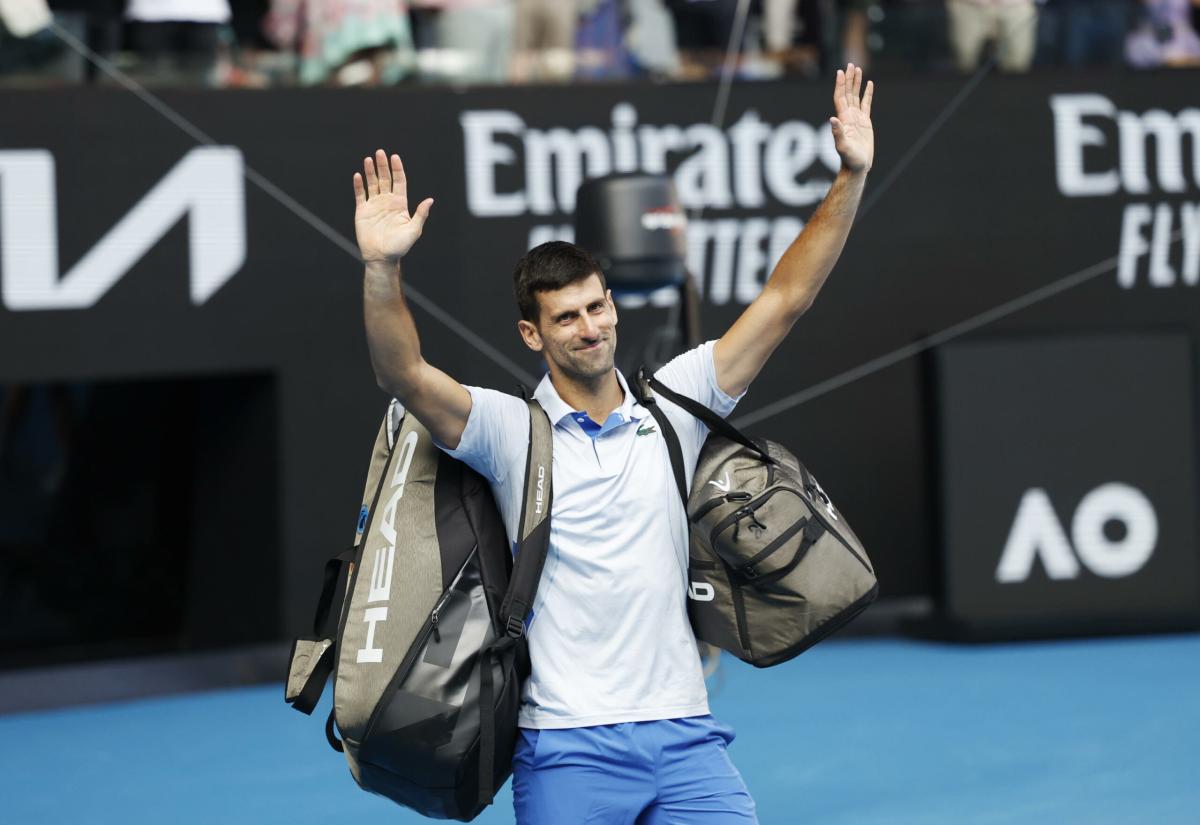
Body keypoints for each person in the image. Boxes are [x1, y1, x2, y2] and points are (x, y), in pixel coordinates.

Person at [351, 63, 875, 824]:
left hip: (687, 739)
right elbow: (403, 371)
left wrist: (850, 175)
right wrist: (381, 268)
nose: (591, 327)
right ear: (533, 333)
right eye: (567, 317)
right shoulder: (508, 430)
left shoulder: (677, 405)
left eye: (597, 307)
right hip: (565, 748)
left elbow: (786, 298)